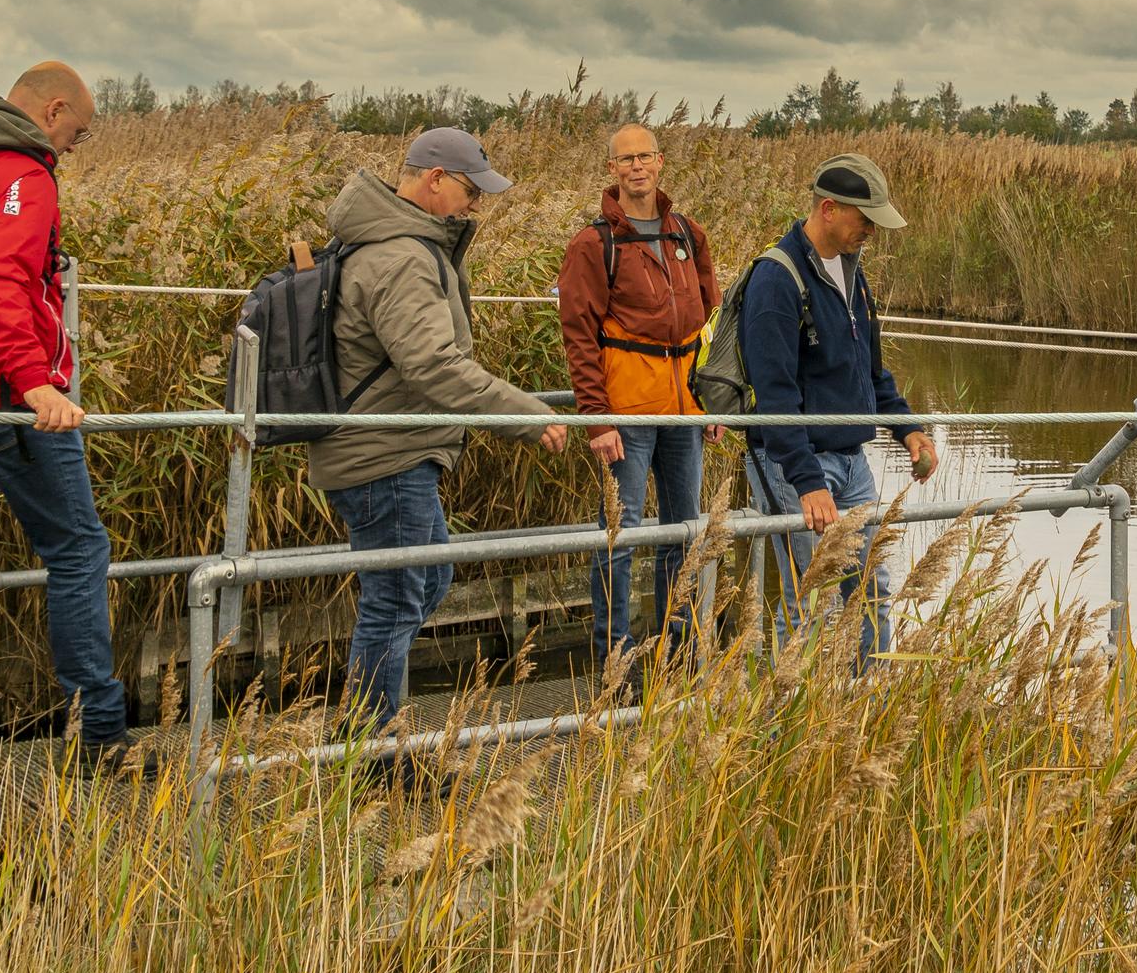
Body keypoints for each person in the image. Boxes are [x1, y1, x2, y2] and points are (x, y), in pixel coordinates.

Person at [0, 64, 147, 772]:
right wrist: (35, 382)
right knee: (77, 549)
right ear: (54, 110)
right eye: (77, 132)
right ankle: (99, 735)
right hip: (1, 401)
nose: (74, 146)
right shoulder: (20, 173)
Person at [305, 127, 558, 743]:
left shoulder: (391, 243)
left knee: (429, 580)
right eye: (470, 191)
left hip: (393, 450)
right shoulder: (401, 256)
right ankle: (373, 750)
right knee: (393, 600)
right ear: (434, 179)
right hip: (386, 456)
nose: (475, 205)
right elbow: (432, 366)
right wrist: (526, 415)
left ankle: (365, 731)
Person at [735, 153, 936, 661]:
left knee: (870, 591)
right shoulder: (776, 279)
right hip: (794, 465)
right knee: (805, 601)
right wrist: (807, 482)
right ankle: (788, 721)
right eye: (864, 219)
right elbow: (775, 395)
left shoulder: (852, 271)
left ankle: (865, 712)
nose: (871, 231)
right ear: (829, 208)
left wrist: (908, 428)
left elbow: (870, 370)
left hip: (852, 461)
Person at [554, 122, 718, 662]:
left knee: (684, 533)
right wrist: (596, 419)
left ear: (661, 161)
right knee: (619, 536)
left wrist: (712, 403)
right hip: (626, 415)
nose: (637, 167)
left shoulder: (689, 236)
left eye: (645, 156)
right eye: (626, 160)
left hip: (684, 415)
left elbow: (710, 324)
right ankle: (615, 654)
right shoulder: (593, 244)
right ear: (612, 170)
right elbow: (579, 336)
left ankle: (681, 648)